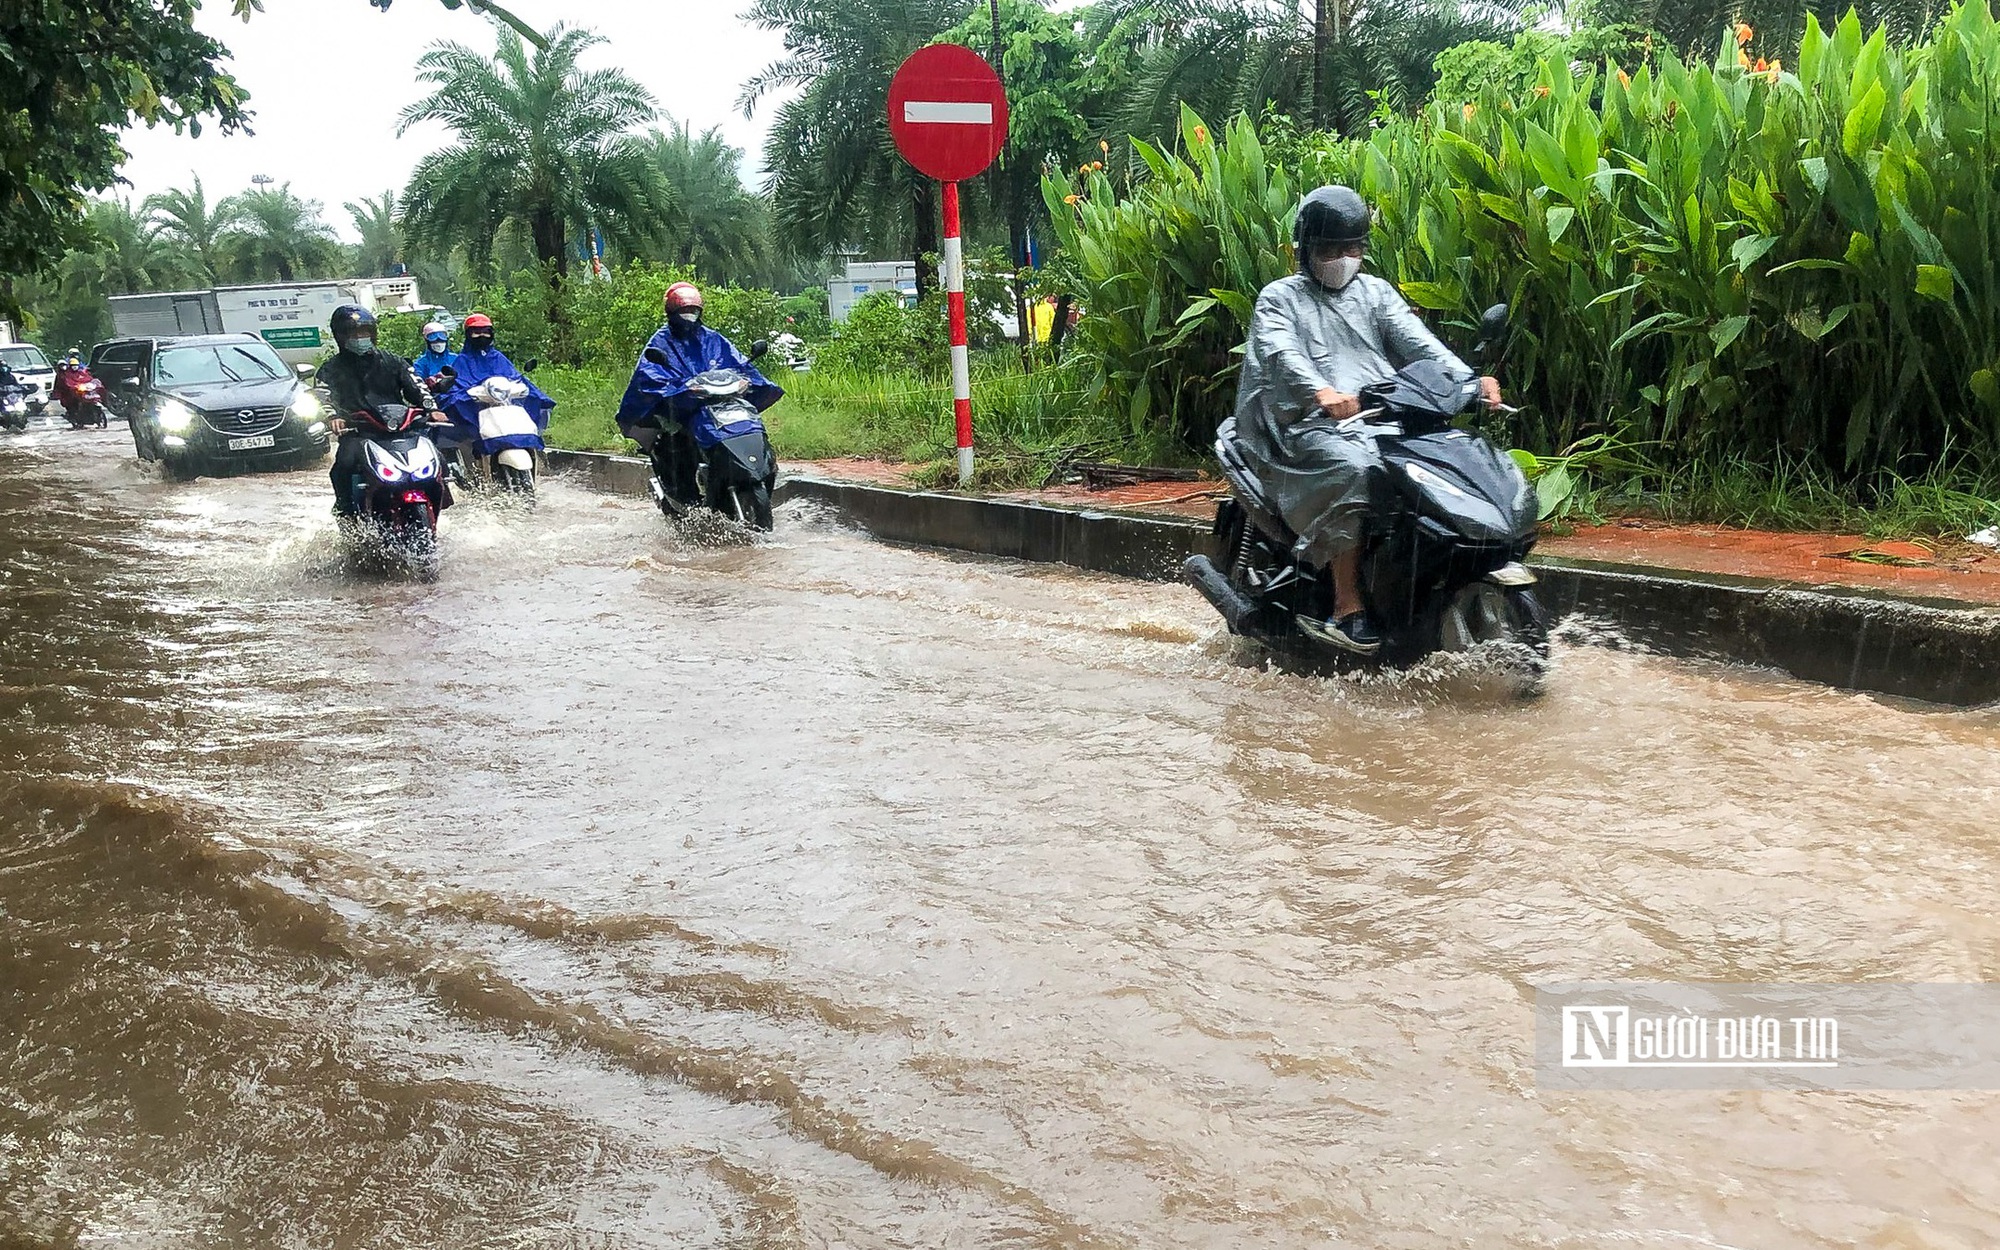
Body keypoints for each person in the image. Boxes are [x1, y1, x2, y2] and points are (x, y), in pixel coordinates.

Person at [1224, 185, 1502, 656]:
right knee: (1357, 471)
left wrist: (1469, 381)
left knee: (1440, 453)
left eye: (1352, 247)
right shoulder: (1279, 298)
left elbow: (1419, 343)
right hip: (1300, 424)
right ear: (1306, 250)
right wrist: (1321, 392)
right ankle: (1347, 606)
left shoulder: (1375, 294)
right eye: (1332, 248)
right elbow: (1280, 352)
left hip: (1377, 415)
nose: (1343, 257)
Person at [614, 282, 780, 504]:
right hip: (684, 409)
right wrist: (679, 388)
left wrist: (744, 378)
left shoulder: (713, 339)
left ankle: (755, 468)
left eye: (693, 311)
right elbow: (650, 375)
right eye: (684, 311)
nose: (689, 316)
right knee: (675, 440)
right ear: (672, 312)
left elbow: (737, 363)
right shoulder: (661, 342)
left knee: (751, 423)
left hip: (720, 404)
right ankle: (685, 496)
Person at [315, 304, 441, 517]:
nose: (360, 337)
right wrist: (333, 417)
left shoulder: (393, 360)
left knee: (437, 457)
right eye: (354, 333)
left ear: (373, 334)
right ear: (341, 336)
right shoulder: (330, 369)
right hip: (358, 433)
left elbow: (416, 386)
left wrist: (431, 407)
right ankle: (347, 513)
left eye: (364, 332)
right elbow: (321, 396)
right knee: (343, 466)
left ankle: (441, 496)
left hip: (399, 430)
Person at [437, 312, 552, 433]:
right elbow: (458, 384)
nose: (482, 335)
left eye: (486, 332)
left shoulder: (498, 357)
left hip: (504, 399)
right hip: (479, 402)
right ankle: (473, 438)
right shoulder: (462, 360)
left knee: (537, 397)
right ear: (468, 334)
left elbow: (514, 377)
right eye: (476, 332)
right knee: (456, 403)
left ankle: (533, 437)